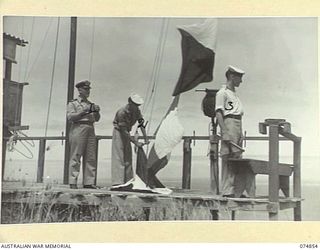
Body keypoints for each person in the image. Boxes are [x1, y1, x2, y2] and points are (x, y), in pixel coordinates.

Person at [215, 65, 255, 198]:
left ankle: (237, 190)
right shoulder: (223, 93)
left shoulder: (234, 95)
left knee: (237, 157)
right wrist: (224, 131)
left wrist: (241, 132)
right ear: (232, 77)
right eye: (239, 78)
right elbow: (219, 113)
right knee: (228, 157)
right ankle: (227, 190)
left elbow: (238, 113)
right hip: (229, 123)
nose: (241, 81)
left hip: (237, 124)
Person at [66, 80, 101, 189]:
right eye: (86, 89)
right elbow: (70, 117)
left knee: (91, 156)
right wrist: (84, 111)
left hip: (90, 128)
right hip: (78, 127)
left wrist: (97, 112)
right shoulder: (73, 103)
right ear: (80, 90)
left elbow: (97, 119)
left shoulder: (91, 104)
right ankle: (73, 182)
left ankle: (89, 182)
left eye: (89, 89)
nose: (88, 91)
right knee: (76, 155)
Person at [111, 93, 149, 187]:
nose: (136, 107)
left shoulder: (137, 111)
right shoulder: (122, 112)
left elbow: (141, 124)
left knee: (128, 157)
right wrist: (136, 142)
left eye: (138, 105)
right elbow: (123, 131)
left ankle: (128, 181)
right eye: (135, 105)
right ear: (129, 102)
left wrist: (145, 138)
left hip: (127, 131)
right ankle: (118, 183)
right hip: (119, 132)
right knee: (119, 157)